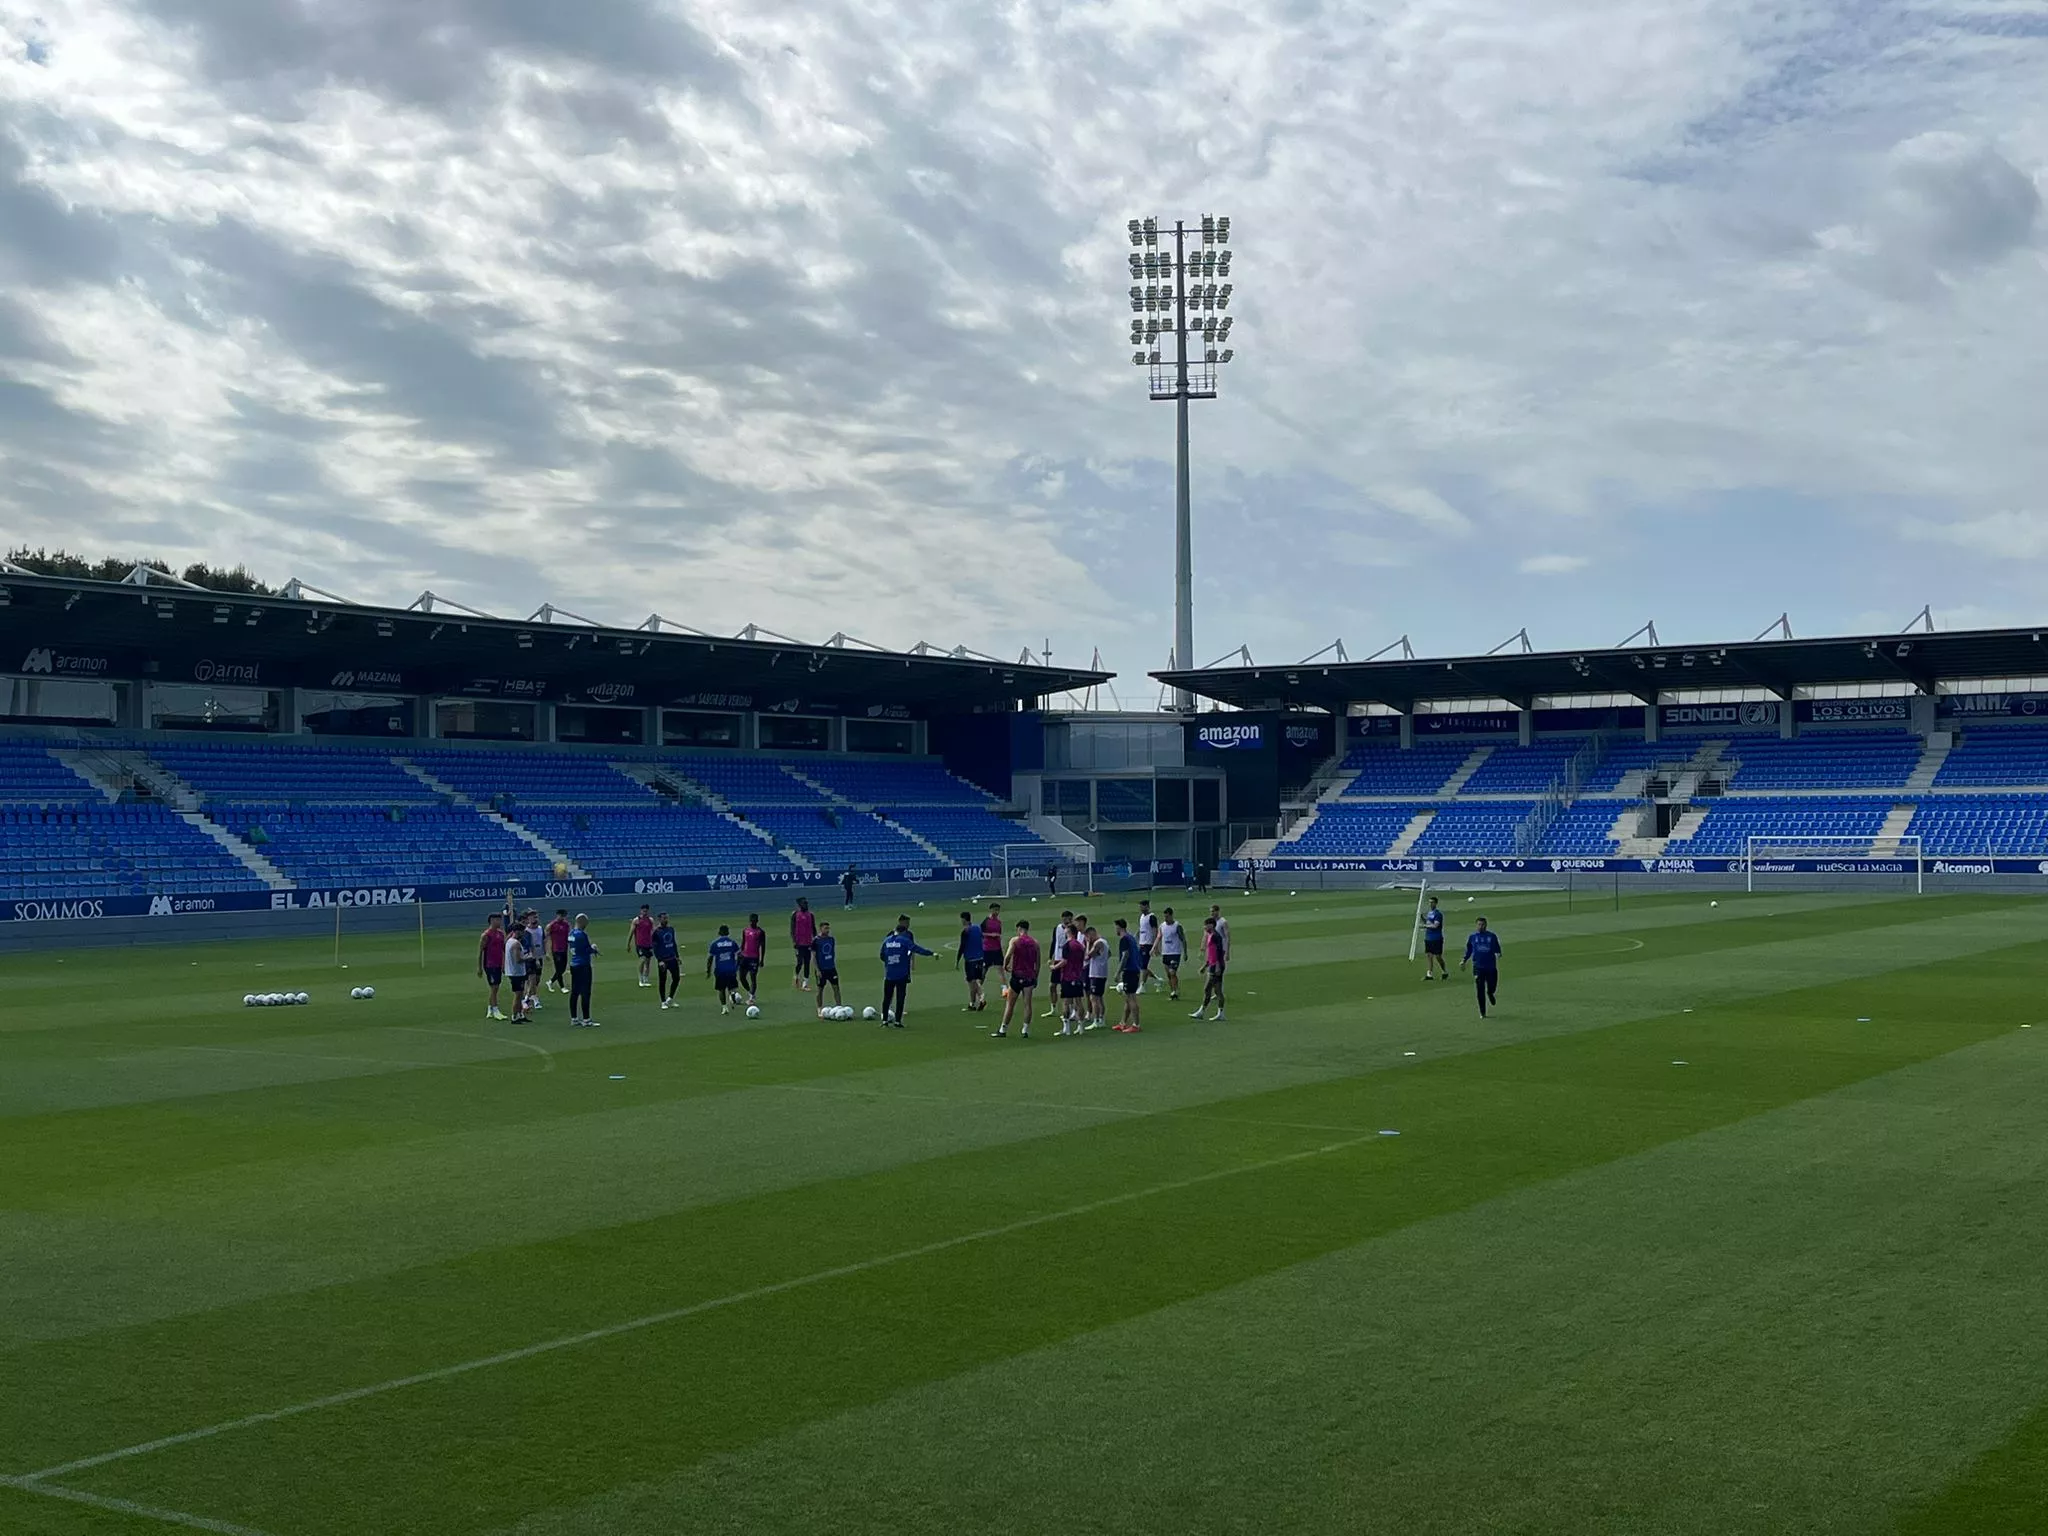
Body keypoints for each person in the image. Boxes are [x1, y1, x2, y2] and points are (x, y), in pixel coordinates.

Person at [878, 915, 934, 1027]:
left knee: (887, 997)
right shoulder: (904, 940)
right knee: (900, 997)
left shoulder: (887, 941)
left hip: (889, 973)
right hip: (901, 973)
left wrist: (890, 962)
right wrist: (931, 953)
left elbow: (882, 955)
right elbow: (916, 948)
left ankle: (884, 1020)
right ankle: (897, 1021)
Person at [993, 920, 1038, 1038]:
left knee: (1010, 1003)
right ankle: (1025, 1030)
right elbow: (1037, 963)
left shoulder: (1015, 940)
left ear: (1018, 928)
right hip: (1029, 977)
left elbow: (1008, 955)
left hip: (1017, 976)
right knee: (1027, 1004)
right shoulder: (1035, 943)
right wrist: (1035, 977)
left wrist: (1005, 966)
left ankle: (1003, 1029)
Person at [1461, 916, 1503, 1016]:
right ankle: (1482, 1012)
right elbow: (1469, 950)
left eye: (1483, 924)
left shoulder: (1492, 936)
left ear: (1486, 925)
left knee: (1492, 986)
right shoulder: (1472, 937)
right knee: (1480, 989)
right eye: (1479, 924)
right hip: (1478, 967)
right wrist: (1464, 960)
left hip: (1491, 967)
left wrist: (1498, 953)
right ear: (1476, 925)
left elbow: (1497, 949)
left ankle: (1490, 993)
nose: (1481, 926)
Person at [566, 912, 600, 1027]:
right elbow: (586, 949)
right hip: (583, 965)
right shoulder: (581, 934)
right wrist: (594, 948)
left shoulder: (571, 934)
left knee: (575, 992)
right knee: (585, 992)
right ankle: (586, 1019)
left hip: (574, 964)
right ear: (582, 922)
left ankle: (574, 1018)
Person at [1192, 914, 1227, 1022]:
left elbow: (1218, 952)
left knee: (1209, 989)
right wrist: (1205, 966)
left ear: (1211, 925)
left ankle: (1202, 1011)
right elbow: (1211, 954)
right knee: (1216, 991)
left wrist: (1216, 966)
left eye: (1206, 925)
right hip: (1213, 965)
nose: (1204, 927)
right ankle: (1219, 1013)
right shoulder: (1211, 935)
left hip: (1216, 966)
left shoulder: (1216, 936)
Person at [1056, 921, 1088, 1036]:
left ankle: (1067, 1028)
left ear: (1069, 932)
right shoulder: (1080, 946)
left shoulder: (1067, 946)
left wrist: (1054, 966)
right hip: (1078, 976)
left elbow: (1065, 961)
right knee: (1079, 1002)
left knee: (1066, 1002)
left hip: (1067, 977)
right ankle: (1081, 1027)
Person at [1044, 910, 1076, 1020]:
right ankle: (1053, 1008)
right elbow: (1054, 942)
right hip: (1057, 959)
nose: (1068, 920)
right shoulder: (1057, 928)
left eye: (1070, 918)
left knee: (1066, 988)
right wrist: (1050, 957)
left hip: (1067, 961)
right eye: (1066, 918)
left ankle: (1070, 1010)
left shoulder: (1073, 930)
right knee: (1052, 985)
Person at [1113, 917, 1144, 1032]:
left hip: (1130, 971)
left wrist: (1118, 972)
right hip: (1134, 970)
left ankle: (1136, 1025)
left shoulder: (1124, 939)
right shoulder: (1130, 937)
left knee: (1131, 998)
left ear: (1119, 927)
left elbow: (1125, 956)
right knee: (1128, 998)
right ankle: (1123, 1023)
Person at [478, 911, 508, 1021]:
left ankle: (490, 1008)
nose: (499, 922)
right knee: (494, 987)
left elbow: (503, 950)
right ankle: (495, 1009)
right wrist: (480, 967)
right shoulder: (486, 935)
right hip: (490, 964)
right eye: (497, 920)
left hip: (498, 963)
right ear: (491, 921)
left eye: (500, 920)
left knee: (496, 987)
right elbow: (481, 951)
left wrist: (504, 964)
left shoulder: (501, 934)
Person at [706, 924, 743, 1014]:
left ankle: (724, 1007)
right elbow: (739, 955)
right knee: (732, 987)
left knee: (721, 989)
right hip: (731, 969)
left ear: (719, 932)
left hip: (720, 970)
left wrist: (708, 971)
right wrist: (737, 966)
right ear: (728, 932)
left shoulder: (715, 944)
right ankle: (733, 995)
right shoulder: (732, 942)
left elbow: (710, 959)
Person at [956, 909, 988, 1011]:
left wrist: (957, 960)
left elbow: (962, 946)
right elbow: (983, 939)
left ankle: (982, 997)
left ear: (964, 919)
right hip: (980, 957)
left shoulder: (966, 931)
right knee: (974, 980)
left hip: (970, 959)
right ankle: (972, 1004)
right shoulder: (978, 928)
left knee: (972, 981)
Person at [503, 919, 533, 1021]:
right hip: (516, 972)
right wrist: (528, 958)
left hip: (514, 971)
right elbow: (518, 959)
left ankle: (520, 1014)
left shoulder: (509, 942)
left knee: (520, 994)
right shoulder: (516, 944)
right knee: (518, 995)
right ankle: (515, 1016)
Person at [652, 911, 682, 1008]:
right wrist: (659, 960)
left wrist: (677, 957)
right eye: (664, 918)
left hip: (672, 958)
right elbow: (655, 948)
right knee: (662, 981)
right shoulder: (656, 932)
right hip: (663, 960)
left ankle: (670, 998)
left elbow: (674, 943)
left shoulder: (671, 929)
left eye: (666, 918)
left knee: (676, 978)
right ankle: (663, 1001)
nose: (665, 920)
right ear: (659, 919)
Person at [1084, 924, 1110, 1030]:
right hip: (1101, 972)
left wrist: (1088, 943)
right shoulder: (1105, 942)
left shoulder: (1098, 943)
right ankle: (1101, 1019)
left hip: (1096, 974)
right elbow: (1109, 954)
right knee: (1099, 998)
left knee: (1094, 998)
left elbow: (1087, 956)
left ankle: (1096, 1020)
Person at [813, 921, 843, 1014]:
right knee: (820, 989)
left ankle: (839, 1006)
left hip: (831, 968)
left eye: (828, 928)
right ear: (820, 928)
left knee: (836, 987)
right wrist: (817, 970)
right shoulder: (816, 940)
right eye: (825, 928)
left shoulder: (831, 939)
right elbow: (813, 957)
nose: (827, 930)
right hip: (821, 969)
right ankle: (819, 1008)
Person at [1156, 906, 1185, 1000]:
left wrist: (1185, 952)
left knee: (1172, 972)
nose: (1166, 919)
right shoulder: (1162, 926)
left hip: (1175, 953)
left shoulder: (1177, 926)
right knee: (1169, 974)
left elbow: (1183, 939)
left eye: (1167, 916)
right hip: (1166, 953)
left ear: (1171, 916)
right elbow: (1160, 937)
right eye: (1164, 917)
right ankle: (1173, 991)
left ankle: (1175, 991)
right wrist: (1155, 948)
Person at [739, 913, 767, 1005]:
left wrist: (762, 959)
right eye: (751, 921)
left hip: (754, 958)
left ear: (757, 921)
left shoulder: (760, 932)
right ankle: (750, 992)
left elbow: (763, 946)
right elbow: (743, 943)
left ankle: (751, 997)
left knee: (753, 978)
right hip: (744, 957)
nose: (752, 922)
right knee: (742, 977)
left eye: (754, 921)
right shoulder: (745, 930)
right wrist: (740, 954)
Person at [790, 897, 817, 991]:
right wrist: (794, 941)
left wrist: (816, 939)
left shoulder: (811, 915)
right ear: (800, 905)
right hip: (799, 943)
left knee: (807, 962)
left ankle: (805, 983)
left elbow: (813, 928)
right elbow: (792, 929)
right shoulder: (795, 915)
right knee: (799, 962)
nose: (806, 905)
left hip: (808, 942)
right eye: (804, 903)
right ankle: (796, 976)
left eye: (806, 903)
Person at [1420, 895, 1449, 981]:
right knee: (1429, 955)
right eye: (1429, 902)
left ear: (1436, 903)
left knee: (1438, 956)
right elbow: (1428, 922)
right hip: (1428, 938)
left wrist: (1424, 926)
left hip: (1436, 938)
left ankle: (1444, 971)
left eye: (1432, 902)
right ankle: (1429, 974)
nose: (1430, 904)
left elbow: (1435, 925)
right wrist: (1421, 918)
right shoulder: (1429, 913)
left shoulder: (1438, 914)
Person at [1136, 899, 1161, 990]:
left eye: (1142, 906)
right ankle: (1157, 979)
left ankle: (1142, 985)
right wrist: (1137, 936)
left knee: (1143, 965)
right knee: (1140, 964)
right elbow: (1141, 928)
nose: (1141, 908)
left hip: (1148, 944)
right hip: (1142, 943)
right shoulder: (1142, 917)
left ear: (1147, 906)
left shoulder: (1152, 917)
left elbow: (1155, 931)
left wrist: (1155, 946)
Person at [545, 908, 571, 992]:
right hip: (556, 949)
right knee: (559, 969)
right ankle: (562, 987)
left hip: (564, 949)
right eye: (562, 916)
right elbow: (547, 938)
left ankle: (550, 981)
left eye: (564, 916)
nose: (563, 917)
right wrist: (548, 951)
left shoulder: (566, 925)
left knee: (562, 969)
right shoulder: (552, 925)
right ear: (558, 915)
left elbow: (568, 936)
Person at [629, 905, 655, 988]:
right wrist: (628, 944)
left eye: (646, 911)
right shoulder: (636, 920)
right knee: (642, 959)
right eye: (643, 911)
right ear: (641, 911)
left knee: (648, 962)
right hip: (640, 944)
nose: (645, 912)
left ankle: (646, 979)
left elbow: (653, 931)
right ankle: (640, 979)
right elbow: (631, 932)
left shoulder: (650, 920)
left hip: (649, 944)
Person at [980, 902, 1005, 989]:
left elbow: (999, 934)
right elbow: (981, 933)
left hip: (997, 949)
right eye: (995, 910)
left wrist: (999, 940)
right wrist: (991, 935)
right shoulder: (986, 921)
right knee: (984, 970)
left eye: (998, 910)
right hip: (987, 949)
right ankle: (978, 989)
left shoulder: (999, 922)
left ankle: (1004, 989)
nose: (997, 912)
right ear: (991, 910)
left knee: (1000, 969)